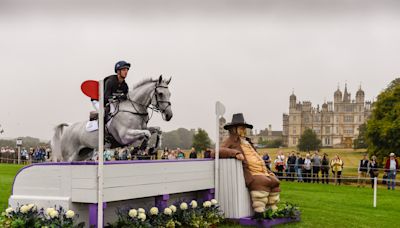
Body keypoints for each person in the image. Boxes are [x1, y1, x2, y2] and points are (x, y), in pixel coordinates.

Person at [214, 113, 280, 213]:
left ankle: (272, 208)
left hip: (262, 170)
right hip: (250, 172)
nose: (244, 130)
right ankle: (259, 210)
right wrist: (235, 153)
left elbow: (256, 157)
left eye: (244, 128)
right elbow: (216, 151)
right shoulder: (230, 140)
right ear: (234, 129)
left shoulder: (247, 142)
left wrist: (267, 170)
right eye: (241, 128)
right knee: (262, 181)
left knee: (274, 181)